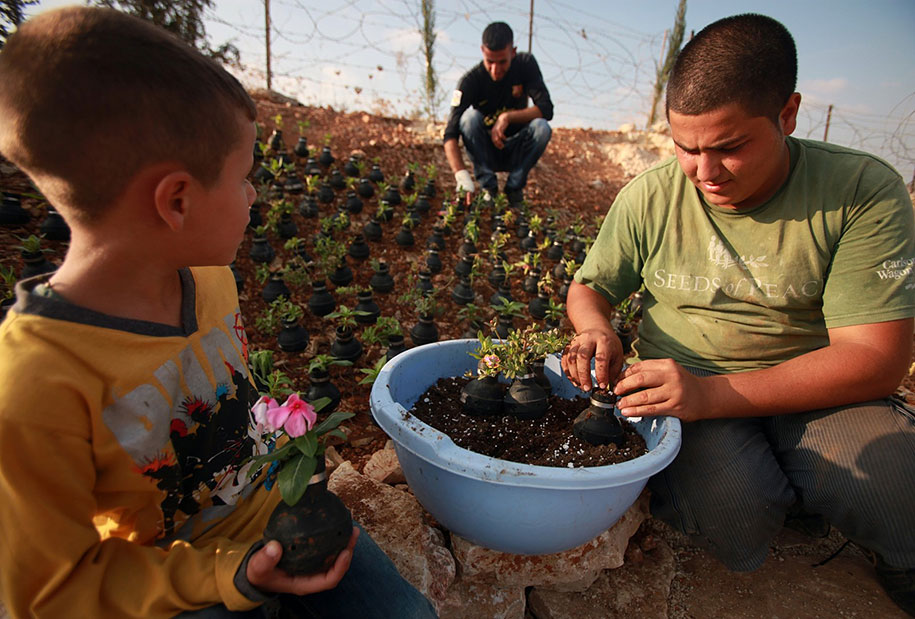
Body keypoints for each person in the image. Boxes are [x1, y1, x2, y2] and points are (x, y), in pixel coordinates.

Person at [0, 8, 436, 619]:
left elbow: (235, 404)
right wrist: (232, 576)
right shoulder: (35, 383)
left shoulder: (211, 283)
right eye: (244, 179)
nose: (255, 196)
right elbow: (52, 589)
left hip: (278, 523)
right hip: (176, 584)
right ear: (176, 200)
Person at [561, 13, 914, 616]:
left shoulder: (859, 192)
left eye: (729, 147)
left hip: (819, 389)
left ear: (788, 114)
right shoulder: (651, 195)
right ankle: (795, 488)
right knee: (736, 521)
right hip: (689, 392)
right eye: (685, 147)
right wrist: (596, 327)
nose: (703, 172)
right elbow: (590, 286)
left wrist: (712, 396)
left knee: (897, 493)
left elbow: (875, 361)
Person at [443, 21, 553, 206]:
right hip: (486, 150)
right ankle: (489, 187)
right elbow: (450, 133)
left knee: (542, 127)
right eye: (490, 62)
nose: (495, 70)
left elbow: (546, 109)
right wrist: (461, 175)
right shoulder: (469, 82)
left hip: (517, 146)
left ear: (513, 52)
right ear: (482, 52)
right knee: (469, 119)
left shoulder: (525, 65)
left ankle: (514, 187)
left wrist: (507, 117)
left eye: (502, 61)